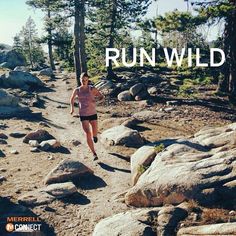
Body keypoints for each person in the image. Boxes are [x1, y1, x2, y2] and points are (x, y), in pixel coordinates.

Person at [70, 72, 104, 160]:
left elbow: (101, 96)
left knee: (94, 133)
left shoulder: (92, 88)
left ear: (88, 80)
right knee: (88, 133)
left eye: (86, 80)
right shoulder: (77, 90)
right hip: (83, 114)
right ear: (80, 80)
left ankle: (95, 136)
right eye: (82, 80)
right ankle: (94, 153)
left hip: (93, 113)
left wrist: (96, 101)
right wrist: (72, 108)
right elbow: (72, 99)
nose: (84, 81)